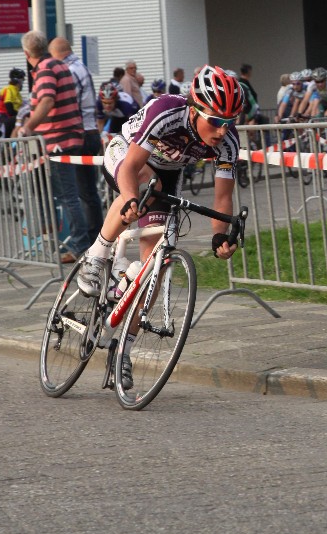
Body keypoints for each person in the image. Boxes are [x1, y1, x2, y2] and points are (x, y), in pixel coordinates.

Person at [75, 66, 244, 385]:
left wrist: (219, 235)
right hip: (127, 154)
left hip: (167, 174)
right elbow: (131, 167)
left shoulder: (227, 142)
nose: (223, 130)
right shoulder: (167, 111)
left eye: (230, 121)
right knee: (142, 183)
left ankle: (123, 349)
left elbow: (223, 197)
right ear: (195, 109)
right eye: (216, 121)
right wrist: (129, 198)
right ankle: (96, 256)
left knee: (157, 265)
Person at [17, 30, 89, 263]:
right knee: (59, 192)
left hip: (58, 141)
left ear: (26, 53)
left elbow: (47, 100)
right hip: (68, 137)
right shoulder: (59, 65)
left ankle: (80, 247)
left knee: (68, 196)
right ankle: (49, 226)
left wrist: (28, 127)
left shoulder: (46, 69)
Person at [49, 36, 104, 246]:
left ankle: (85, 243)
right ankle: (98, 240)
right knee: (89, 193)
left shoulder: (68, 71)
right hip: (91, 131)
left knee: (76, 194)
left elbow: (69, 104)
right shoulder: (81, 66)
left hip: (79, 134)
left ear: (56, 54)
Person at [0, 68, 25, 137]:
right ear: (18, 81)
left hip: (9, 117)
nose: (22, 84)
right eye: (22, 81)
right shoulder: (8, 89)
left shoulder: (17, 93)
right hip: (2, 117)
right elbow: (10, 110)